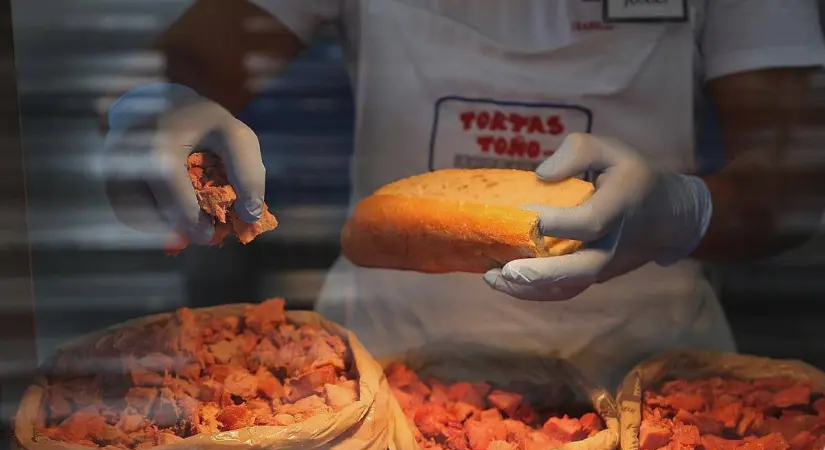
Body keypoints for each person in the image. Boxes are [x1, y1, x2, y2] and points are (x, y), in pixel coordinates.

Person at [101, 0, 825, 388]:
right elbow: (195, 54)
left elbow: (798, 170)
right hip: (386, 368)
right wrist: (158, 108)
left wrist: (678, 214)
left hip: (642, 378)